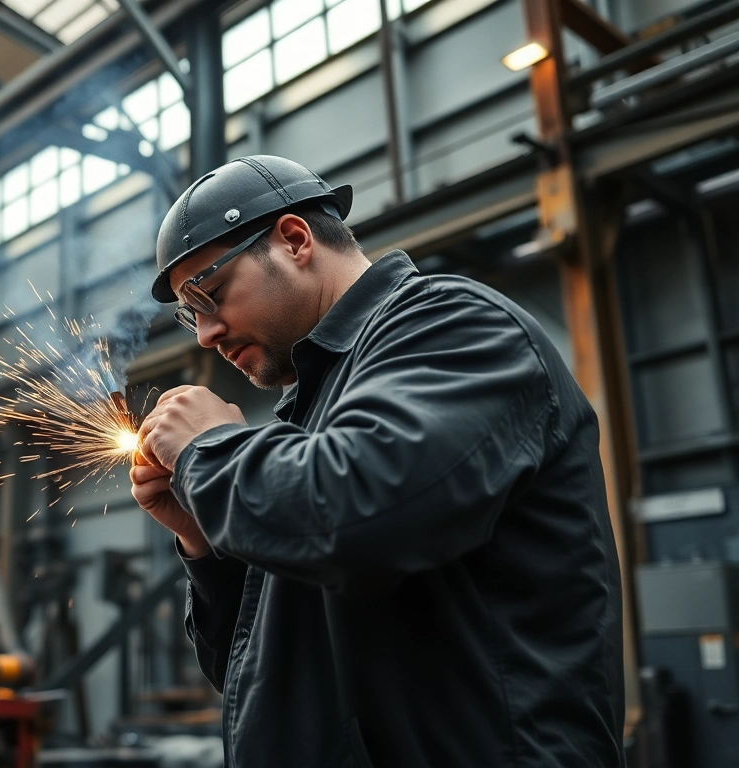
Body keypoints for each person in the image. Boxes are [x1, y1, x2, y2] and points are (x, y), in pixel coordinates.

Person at [130, 155, 624, 767]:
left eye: (210, 293)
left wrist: (210, 452)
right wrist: (206, 539)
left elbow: (357, 519)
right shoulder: (309, 414)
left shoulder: (455, 326)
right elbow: (257, 671)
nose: (204, 333)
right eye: (189, 312)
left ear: (294, 239)